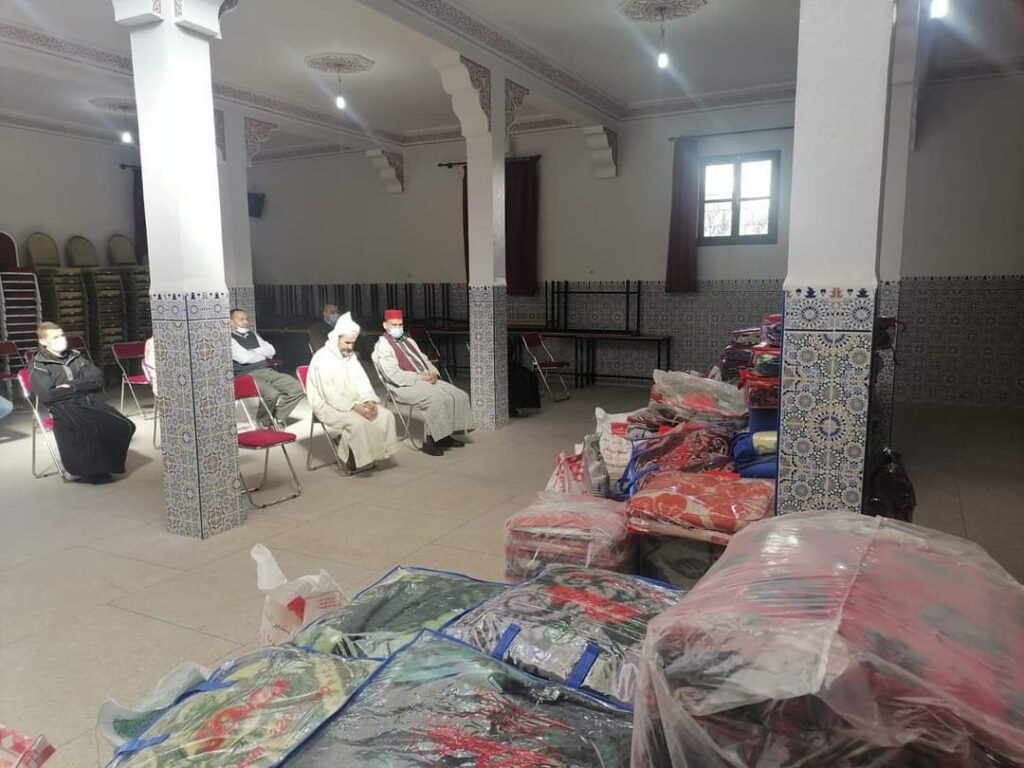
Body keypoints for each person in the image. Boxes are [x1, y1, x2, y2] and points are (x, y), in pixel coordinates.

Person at [28, 321, 136, 483]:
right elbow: (48, 395)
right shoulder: (39, 365)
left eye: (62, 335)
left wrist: (71, 386)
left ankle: (109, 464)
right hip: (62, 407)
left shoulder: (75, 356)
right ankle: (83, 471)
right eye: (55, 337)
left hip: (87, 401)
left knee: (123, 425)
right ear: (43, 341)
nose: (61, 339)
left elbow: (98, 379)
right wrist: (83, 385)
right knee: (89, 429)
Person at [371, 308, 474, 456]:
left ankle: (444, 436)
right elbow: (394, 375)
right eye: (394, 325)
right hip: (401, 386)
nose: (398, 328)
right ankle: (430, 440)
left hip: (424, 378)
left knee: (459, 395)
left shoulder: (409, 341)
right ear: (385, 325)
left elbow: (424, 360)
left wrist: (433, 373)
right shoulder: (383, 346)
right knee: (434, 399)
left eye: (400, 324)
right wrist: (420, 378)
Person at [307, 312, 398, 472]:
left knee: (385, 416)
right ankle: (351, 456)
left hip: (355, 400)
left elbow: (362, 381)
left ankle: (368, 453)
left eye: (353, 343)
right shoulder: (322, 358)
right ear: (336, 338)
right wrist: (354, 407)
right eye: (347, 342)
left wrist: (369, 400)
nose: (350, 347)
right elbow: (329, 393)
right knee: (358, 422)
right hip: (327, 404)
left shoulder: (350, 357)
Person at [230, 308, 304, 427]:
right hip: (247, 375)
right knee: (271, 394)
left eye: (246, 319)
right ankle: (263, 421)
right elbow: (244, 358)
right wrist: (261, 354)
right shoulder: (229, 338)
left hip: (266, 370)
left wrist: (253, 351)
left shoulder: (252, 334)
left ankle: (276, 418)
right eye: (241, 319)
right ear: (231, 322)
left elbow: (271, 350)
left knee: (297, 389)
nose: (246, 322)